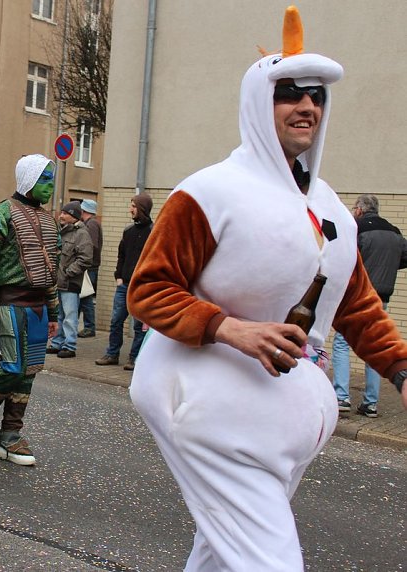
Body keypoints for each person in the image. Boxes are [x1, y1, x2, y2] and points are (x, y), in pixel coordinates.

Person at [126, 8, 407, 570]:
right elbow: (149, 289)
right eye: (291, 94)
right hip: (211, 411)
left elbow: (355, 305)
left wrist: (401, 369)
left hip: (275, 424)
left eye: (318, 97)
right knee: (269, 561)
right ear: (260, 102)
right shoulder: (209, 192)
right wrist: (230, 327)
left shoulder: (329, 207)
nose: (307, 107)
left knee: (222, 551)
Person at [0, 153, 60, 466]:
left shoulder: (50, 222)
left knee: (28, 375)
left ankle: (10, 436)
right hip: (9, 305)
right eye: (44, 179)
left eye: (52, 179)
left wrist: (54, 312)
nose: (50, 186)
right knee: (12, 368)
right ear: (30, 180)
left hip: (38, 309)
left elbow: (50, 272)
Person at [331, 193, 407, 418]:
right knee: (374, 345)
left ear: (360, 210)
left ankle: (341, 397)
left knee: (342, 344)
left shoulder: (356, 228)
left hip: (358, 296)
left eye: (355, 208)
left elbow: (345, 257)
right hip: (383, 295)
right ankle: (371, 403)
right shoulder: (394, 232)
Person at [95, 194, 153, 369]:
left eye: (134, 206)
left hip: (142, 287)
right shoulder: (128, 231)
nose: (130, 209)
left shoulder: (153, 232)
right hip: (124, 285)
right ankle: (112, 354)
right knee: (116, 321)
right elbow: (122, 255)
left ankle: (134, 358)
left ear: (142, 208)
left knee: (138, 326)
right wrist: (118, 276)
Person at [46, 201, 92, 358]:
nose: (61, 215)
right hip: (59, 282)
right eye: (62, 212)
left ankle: (70, 345)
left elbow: (86, 258)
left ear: (73, 217)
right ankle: (57, 343)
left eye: (65, 213)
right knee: (59, 315)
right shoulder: (62, 231)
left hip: (70, 282)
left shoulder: (81, 233)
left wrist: (67, 272)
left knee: (70, 316)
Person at [77, 199, 102, 337]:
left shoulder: (91, 224)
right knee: (83, 297)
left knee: (86, 297)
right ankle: (84, 325)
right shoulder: (91, 223)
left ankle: (89, 327)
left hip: (90, 266)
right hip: (90, 265)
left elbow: (91, 245)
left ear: (84, 211)